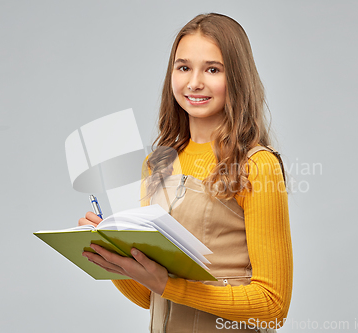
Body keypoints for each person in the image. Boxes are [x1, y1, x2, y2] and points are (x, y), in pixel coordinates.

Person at [79, 13, 292, 332]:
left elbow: (273, 308)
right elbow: (154, 297)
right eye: (183, 67)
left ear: (236, 77)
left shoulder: (257, 166)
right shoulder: (156, 165)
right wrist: (114, 258)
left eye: (212, 69)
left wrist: (170, 286)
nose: (194, 82)